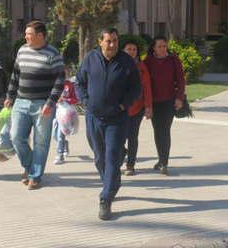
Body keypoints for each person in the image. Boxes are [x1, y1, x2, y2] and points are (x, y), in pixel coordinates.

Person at [76, 28, 141, 221]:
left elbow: (136, 88)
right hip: (93, 117)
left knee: (112, 157)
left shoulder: (126, 61)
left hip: (117, 118)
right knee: (99, 157)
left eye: (115, 41)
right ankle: (111, 183)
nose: (112, 44)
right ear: (100, 41)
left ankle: (106, 198)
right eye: (108, 41)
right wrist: (85, 101)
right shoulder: (90, 58)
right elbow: (79, 82)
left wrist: (124, 104)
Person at [5, 20, 65, 190]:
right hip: (21, 102)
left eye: (29, 34)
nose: (25, 37)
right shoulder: (22, 50)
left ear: (40, 36)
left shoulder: (53, 53)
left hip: (42, 104)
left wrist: (50, 103)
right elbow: (15, 75)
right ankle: (30, 167)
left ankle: (35, 176)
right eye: (26, 34)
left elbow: (60, 80)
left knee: (41, 142)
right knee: (16, 137)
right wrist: (10, 95)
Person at [144, 37, 185, 176]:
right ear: (154, 48)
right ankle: (161, 159)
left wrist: (179, 98)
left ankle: (164, 162)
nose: (163, 48)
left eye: (164, 46)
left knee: (165, 131)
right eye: (160, 46)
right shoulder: (148, 61)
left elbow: (181, 80)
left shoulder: (174, 60)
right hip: (154, 102)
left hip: (169, 102)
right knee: (157, 130)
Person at [122, 39, 153, 176]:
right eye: (129, 49)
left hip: (137, 108)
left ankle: (130, 165)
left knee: (132, 137)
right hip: (120, 109)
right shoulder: (117, 65)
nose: (132, 52)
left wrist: (148, 107)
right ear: (123, 50)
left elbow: (147, 87)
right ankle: (121, 155)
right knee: (119, 137)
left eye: (134, 49)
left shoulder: (141, 67)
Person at [53, 67, 79, 165]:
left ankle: (60, 156)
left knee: (60, 134)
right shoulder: (54, 84)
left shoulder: (70, 85)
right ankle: (65, 144)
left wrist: (65, 99)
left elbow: (76, 99)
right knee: (54, 135)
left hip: (65, 113)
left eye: (65, 73)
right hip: (55, 111)